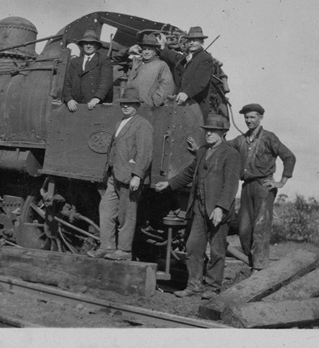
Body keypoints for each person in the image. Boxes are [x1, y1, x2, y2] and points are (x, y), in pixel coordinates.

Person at [155, 114, 240, 298]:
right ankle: (194, 286)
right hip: (199, 208)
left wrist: (221, 207)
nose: (208, 133)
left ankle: (213, 288)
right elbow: (189, 173)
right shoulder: (202, 151)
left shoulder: (231, 154)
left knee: (217, 250)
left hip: (217, 210)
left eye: (213, 131)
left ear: (223, 133)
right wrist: (169, 183)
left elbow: (231, 184)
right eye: (207, 130)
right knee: (193, 246)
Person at [87, 86, 153, 261]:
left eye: (129, 103)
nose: (125, 106)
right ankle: (107, 246)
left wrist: (137, 176)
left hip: (129, 177)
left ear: (137, 105)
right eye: (123, 103)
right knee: (106, 210)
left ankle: (124, 251)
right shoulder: (120, 122)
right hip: (114, 175)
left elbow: (145, 153)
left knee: (126, 215)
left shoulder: (143, 125)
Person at [227, 103, 296, 271]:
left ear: (260, 118)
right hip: (247, 187)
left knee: (261, 228)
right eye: (246, 117)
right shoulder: (241, 140)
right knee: (244, 229)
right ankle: (253, 263)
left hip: (264, 187)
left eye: (252, 117)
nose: (249, 120)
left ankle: (259, 269)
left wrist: (281, 182)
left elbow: (289, 157)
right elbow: (223, 146)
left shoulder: (268, 137)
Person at [157, 26, 217, 119]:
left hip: (196, 106)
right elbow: (173, 56)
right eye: (190, 40)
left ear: (201, 42)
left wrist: (187, 93)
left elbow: (200, 80)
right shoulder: (187, 58)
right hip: (182, 104)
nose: (192, 43)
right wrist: (162, 48)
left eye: (195, 40)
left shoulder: (206, 58)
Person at [62, 30, 114, 112]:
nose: (88, 46)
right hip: (76, 105)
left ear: (96, 45)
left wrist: (97, 98)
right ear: (82, 45)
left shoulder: (104, 60)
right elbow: (68, 82)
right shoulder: (75, 61)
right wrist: (69, 99)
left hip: (96, 105)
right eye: (86, 43)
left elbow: (106, 82)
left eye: (92, 43)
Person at [125, 33, 175, 106]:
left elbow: (167, 86)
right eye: (144, 49)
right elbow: (117, 58)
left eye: (150, 49)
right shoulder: (137, 63)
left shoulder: (161, 65)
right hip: (132, 105)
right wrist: (129, 50)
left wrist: (155, 101)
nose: (146, 52)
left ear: (155, 51)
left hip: (149, 107)